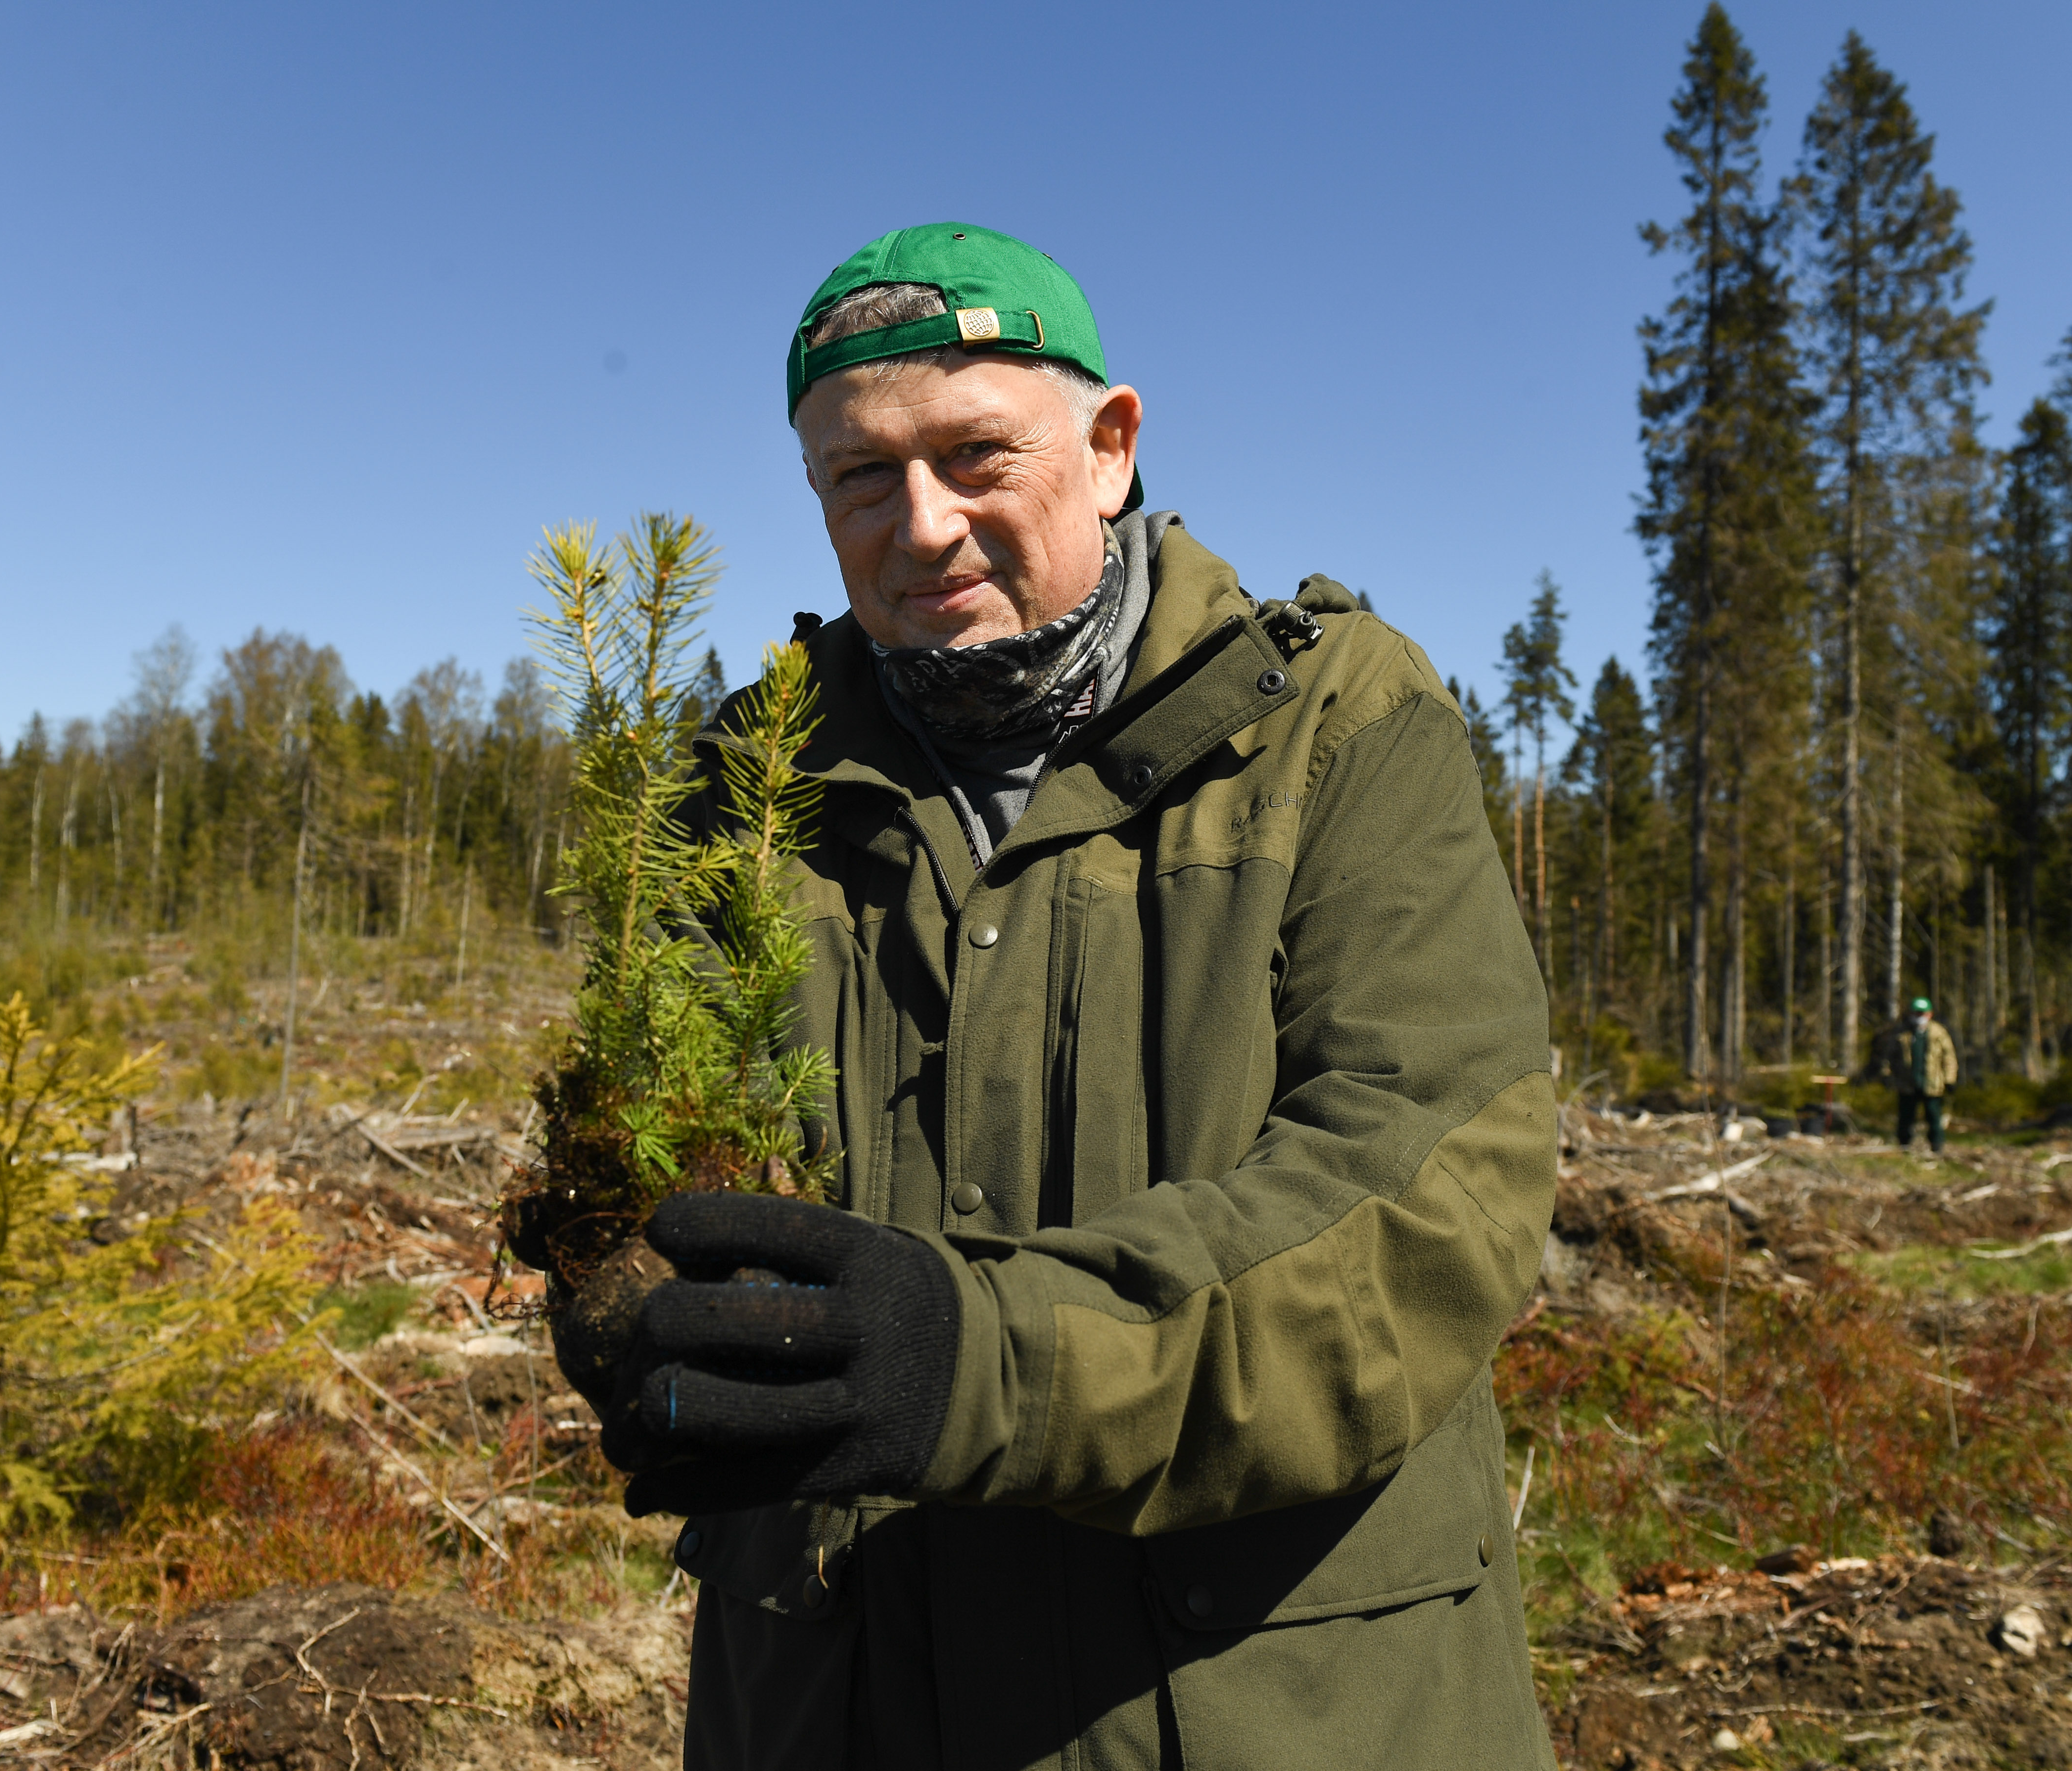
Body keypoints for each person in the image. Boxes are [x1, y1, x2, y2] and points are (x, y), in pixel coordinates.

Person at [593, 223, 1556, 1770]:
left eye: (978, 456)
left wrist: (982, 1363)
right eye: (859, 476)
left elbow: (1429, 1199)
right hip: (842, 1698)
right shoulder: (744, 789)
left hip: (1262, 1703)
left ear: (1111, 449)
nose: (920, 526)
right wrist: (630, 1308)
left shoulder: (1332, 728)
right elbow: (659, 1157)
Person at [1875, 996, 1958, 1153]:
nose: (1919, 1017)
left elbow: (1949, 1058)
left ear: (1930, 1014)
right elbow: (1888, 1057)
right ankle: (1904, 1146)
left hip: (1933, 1083)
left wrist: (1950, 1079)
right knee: (1906, 1118)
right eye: (1916, 1013)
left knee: (1934, 1117)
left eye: (1923, 1013)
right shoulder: (1901, 1033)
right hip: (1907, 1084)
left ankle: (1937, 1147)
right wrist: (1886, 1075)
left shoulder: (1939, 1033)